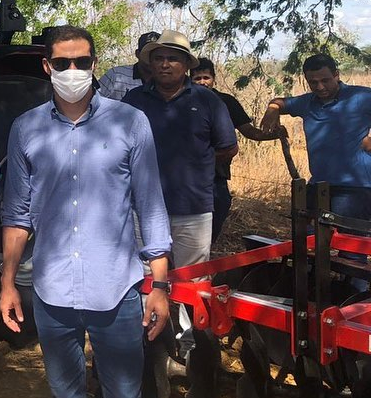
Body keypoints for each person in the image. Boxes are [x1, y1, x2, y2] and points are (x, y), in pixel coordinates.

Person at [0, 24, 172, 398]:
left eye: (81, 62)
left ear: (94, 65)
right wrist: (6, 282)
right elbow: (17, 215)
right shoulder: (26, 128)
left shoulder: (130, 122)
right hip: (53, 291)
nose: (72, 70)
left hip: (116, 290)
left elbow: (149, 206)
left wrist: (161, 285)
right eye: (62, 63)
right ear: (47, 66)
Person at [122, 31, 237, 269]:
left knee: (192, 278)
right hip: (143, 207)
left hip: (193, 207)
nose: (165, 64)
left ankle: (185, 310)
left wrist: (195, 160)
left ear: (185, 64)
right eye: (158, 58)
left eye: (172, 58)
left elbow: (228, 147)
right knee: (145, 277)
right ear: (150, 64)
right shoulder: (134, 101)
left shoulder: (208, 101)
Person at [261, 53, 371, 227]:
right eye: (313, 82)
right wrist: (273, 108)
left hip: (355, 188)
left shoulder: (360, 97)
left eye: (325, 80)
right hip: (319, 185)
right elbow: (281, 102)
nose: (320, 87)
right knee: (307, 243)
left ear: (336, 75)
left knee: (351, 248)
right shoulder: (307, 102)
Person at [191, 58, 287, 242]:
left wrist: (274, 135)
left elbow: (249, 131)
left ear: (214, 79)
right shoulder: (182, 100)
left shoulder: (225, 102)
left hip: (216, 174)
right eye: (197, 78)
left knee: (218, 211)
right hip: (188, 175)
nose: (202, 82)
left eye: (206, 77)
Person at [97, 31, 160, 100]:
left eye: (156, 55)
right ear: (137, 54)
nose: (150, 58)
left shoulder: (166, 81)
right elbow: (92, 102)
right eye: (147, 53)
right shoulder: (116, 75)